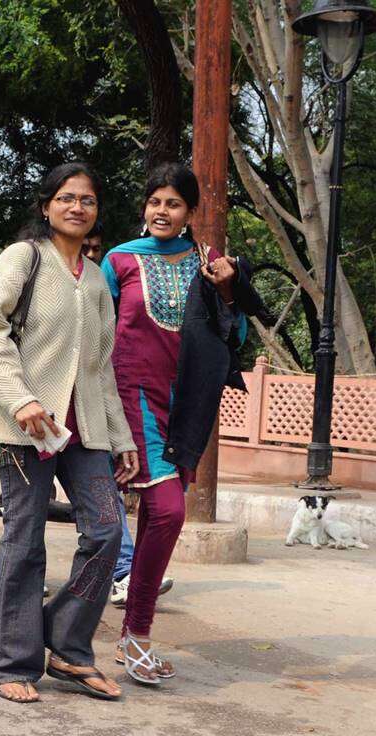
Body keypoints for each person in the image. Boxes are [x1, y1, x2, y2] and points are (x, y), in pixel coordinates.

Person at [0, 163, 137, 704]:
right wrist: (20, 398)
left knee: (108, 532)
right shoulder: (24, 258)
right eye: (66, 198)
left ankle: (67, 646)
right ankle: (7, 662)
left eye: (87, 200)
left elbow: (101, 367)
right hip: (25, 429)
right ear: (46, 206)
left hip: (84, 430)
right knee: (25, 541)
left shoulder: (94, 278)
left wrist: (122, 439)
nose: (77, 208)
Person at [100, 162, 245, 685]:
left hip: (188, 403)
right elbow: (92, 331)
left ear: (190, 213)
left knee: (156, 516)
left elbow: (237, 335)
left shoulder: (209, 264)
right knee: (167, 511)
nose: (163, 211)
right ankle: (135, 634)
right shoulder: (118, 261)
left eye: (175, 204)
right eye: (156, 201)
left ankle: (125, 638)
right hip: (131, 396)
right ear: (145, 206)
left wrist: (228, 292)